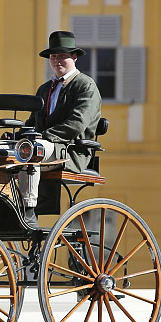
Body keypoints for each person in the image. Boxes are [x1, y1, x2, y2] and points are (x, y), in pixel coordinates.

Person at [18, 30, 103, 224]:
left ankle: (28, 210)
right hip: (49, 147)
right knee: (4, 154)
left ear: (74, 57)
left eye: (62, 56)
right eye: (53, 56)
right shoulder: (45, 89)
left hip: (71, 150)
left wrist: (44, 137)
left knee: (31, 151)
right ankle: (5, 209)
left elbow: (77, 123)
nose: (57, 60)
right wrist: (18, 135)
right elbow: (33, 122)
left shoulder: (85, 86)